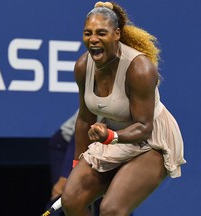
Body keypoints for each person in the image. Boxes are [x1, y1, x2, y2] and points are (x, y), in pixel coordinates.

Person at [61, 2, 186, 216]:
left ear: (116, 34)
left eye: (101, 33)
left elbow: (144, 127)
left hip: (151, 142)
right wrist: (77, 162)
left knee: (112, 210)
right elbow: (84, 119)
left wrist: (110, 136)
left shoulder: (140, 68)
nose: (93, 39)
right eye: (87, 33)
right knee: (71, 200)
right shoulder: (83, 66)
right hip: (112, 138)